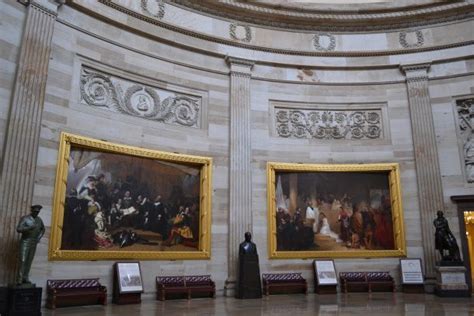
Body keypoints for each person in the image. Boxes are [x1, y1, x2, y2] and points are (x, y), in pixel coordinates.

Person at [16, 205, 45, 285]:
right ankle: (19, 279)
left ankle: (25, 277)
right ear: (32, 211)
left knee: (29, 260)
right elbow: (18, 229)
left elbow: (43, 229)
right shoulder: (25, 218)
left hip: (33, 242)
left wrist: (38, 238)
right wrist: (29, 228)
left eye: (38, 212)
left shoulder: (39, 220)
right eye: (35, 211)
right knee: (23, 260)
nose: (37, 213)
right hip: (25, 241)